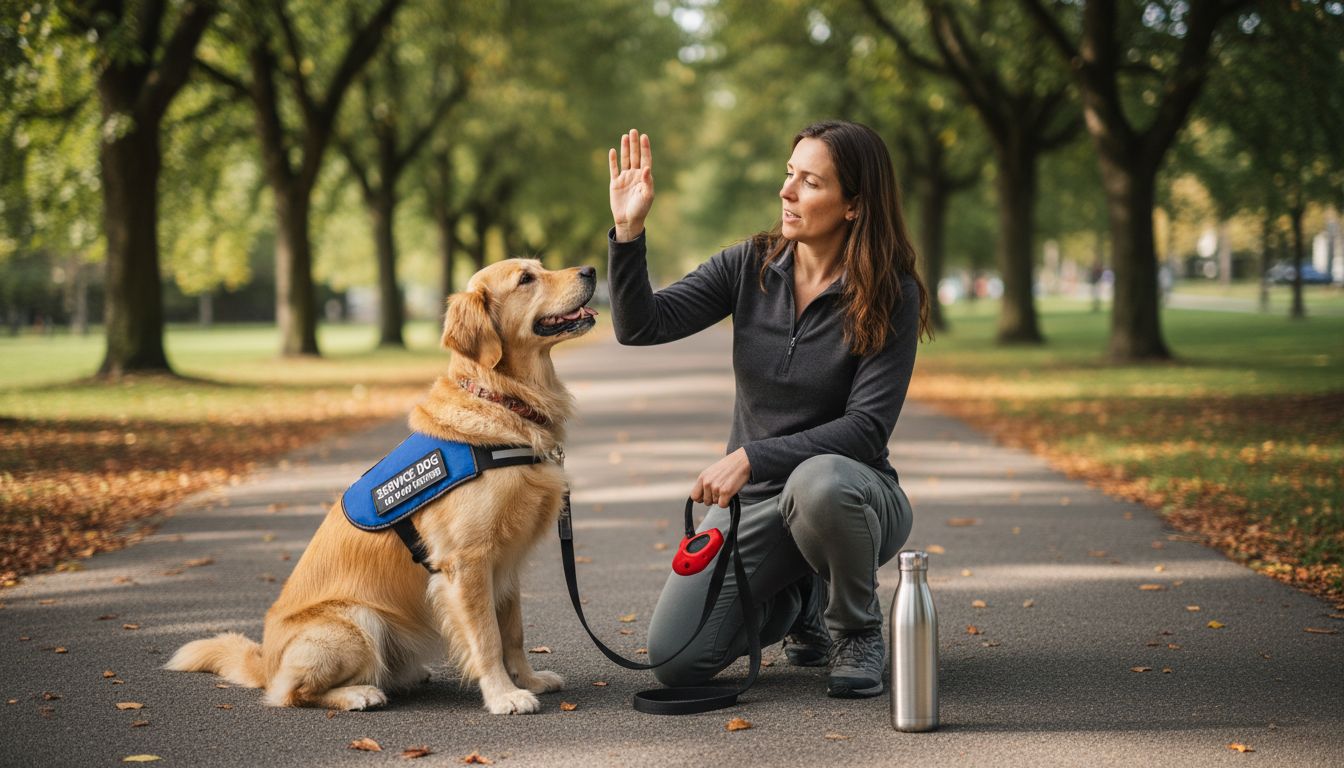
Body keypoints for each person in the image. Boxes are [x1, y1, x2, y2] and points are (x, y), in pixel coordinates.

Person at [605, 122, 931, 699]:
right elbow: (641, 326)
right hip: (756, 511)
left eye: (810, 182)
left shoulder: (890, 292)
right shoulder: (749, 266)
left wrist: (752, 457)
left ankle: (856, 630)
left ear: (853, 205)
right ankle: (800, 598)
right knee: (675, 659)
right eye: (789, 174)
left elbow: (865, 429)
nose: (787, 192)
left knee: (820, 481)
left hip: (854, 499)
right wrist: (629, 233)